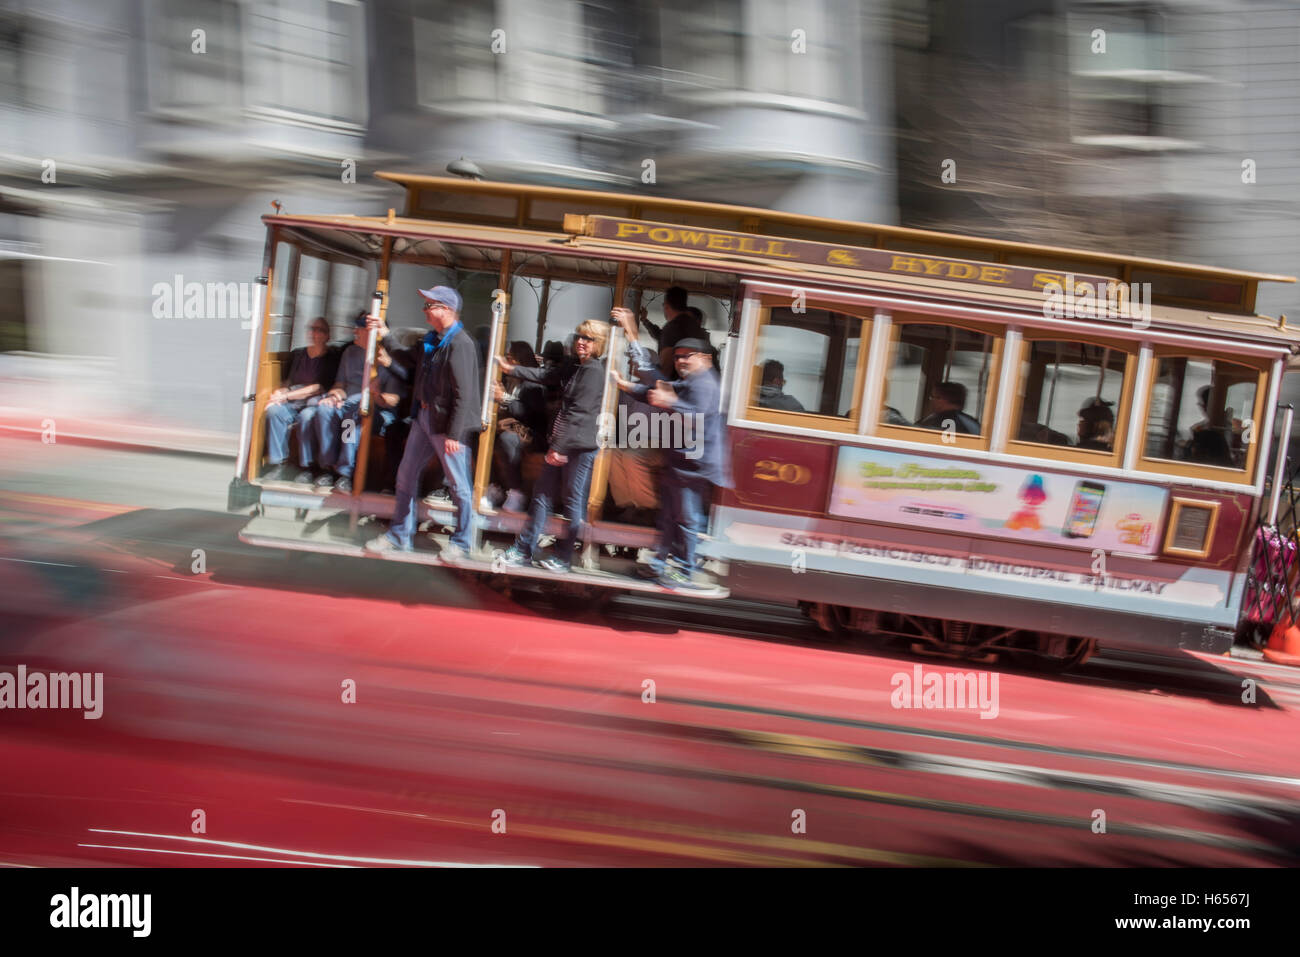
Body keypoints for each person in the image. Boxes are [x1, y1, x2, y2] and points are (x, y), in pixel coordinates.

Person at [612, 307, 730, 590]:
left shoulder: (706, 383)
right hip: (679, 462)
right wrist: (628, 386)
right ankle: (659, 564)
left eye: (686, 356)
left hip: (694, 466)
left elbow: (695, 417)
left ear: (705, 359)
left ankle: (687, 570)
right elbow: (660, 387)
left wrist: (669, 402)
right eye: (677, 357)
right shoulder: (691, 381)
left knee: (687, 520)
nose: (680, 361)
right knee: (668, 516)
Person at [364, 285, 481, 561]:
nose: (425, 310)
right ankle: (398, 535)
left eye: (430, 305)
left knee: (460, 486)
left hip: (447, 425)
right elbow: (407, 356)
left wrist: (455, 433)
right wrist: (384, 332)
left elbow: (465, 393)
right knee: (405, 475)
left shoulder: (461, 344)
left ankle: (463, 543)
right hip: (425, 418)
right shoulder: (435, 339)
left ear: (447, 310)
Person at [497, 321, 608, 573]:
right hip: (563, 444)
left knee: (573, 502)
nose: (581, 341)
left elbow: (579, 414)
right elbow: (547, 376)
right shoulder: (576, 367)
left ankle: (564, 557)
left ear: (599, 343)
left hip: (577, 448)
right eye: (579, 336)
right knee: (541, 496)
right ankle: (524, 549)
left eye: (589, 339)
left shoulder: (594, 372)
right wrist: (512, 368)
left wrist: (559, 448)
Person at [263, 316, 339, 483]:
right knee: (274, 411)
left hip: (313, 402)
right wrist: (279, 393)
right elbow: (288, 381)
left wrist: (286, 395)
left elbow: (318, 388)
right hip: (293, 400)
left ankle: (308, 467)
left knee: (307, 417)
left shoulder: (331, 358)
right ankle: (278, 464)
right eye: (312, 329)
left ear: (328, 336)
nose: (315, 333)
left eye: (320, 330)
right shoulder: (298, 354)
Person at [313, 313, 372, 493]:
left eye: (359, 328)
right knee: (323, 410)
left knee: (350, 420)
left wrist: (349, 402)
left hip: (364, 409)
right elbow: (339, 384)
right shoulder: (350, 352)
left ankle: (345, 473)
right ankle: (327, 468)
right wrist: (334, 395)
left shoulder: (382, 356)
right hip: (346, 401)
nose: (355, 331)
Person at [488, 340, 548, 513]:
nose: (507, 362)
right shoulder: (508, 380)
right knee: (484, 433)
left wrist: (505, 399)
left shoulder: (533, 384)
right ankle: (493, 486)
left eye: (510, 358)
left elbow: (527, 414)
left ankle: (516, 492)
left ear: (520, 360)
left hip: (532, 432)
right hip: (512, 425)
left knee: (508, 439)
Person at [915, 381, 980, 435]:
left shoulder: (934, 422)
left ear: (941, 399)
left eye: (932, 397)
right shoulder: (972, 423)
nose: (931, 400)